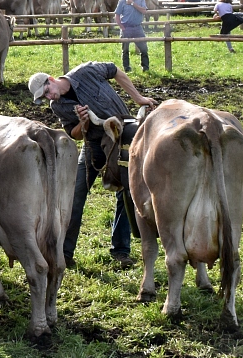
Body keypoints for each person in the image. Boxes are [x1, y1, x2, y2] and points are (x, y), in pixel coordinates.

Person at [28, 63, 156, 269]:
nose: (49, 98)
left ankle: (121, 251)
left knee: (125, 191)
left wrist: (138, 98)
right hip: (94, 143)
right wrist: (83, 123)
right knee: (76, 192)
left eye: (47, 92)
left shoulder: (85, 72)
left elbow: (115, 71)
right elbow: (74, 134)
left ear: (51, 79)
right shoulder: (58, 106)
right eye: (44, 98)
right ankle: (65, 253)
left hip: (121, 135)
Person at [114, 0, 149, 72]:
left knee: (144, 49)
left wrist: (132, 4)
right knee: (125, 50)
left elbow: (144, 11)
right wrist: (121, 27)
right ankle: (127, 68)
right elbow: (117, 15)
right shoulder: (122, 1)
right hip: (126, 27)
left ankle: (145, 68)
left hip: (138, 27)